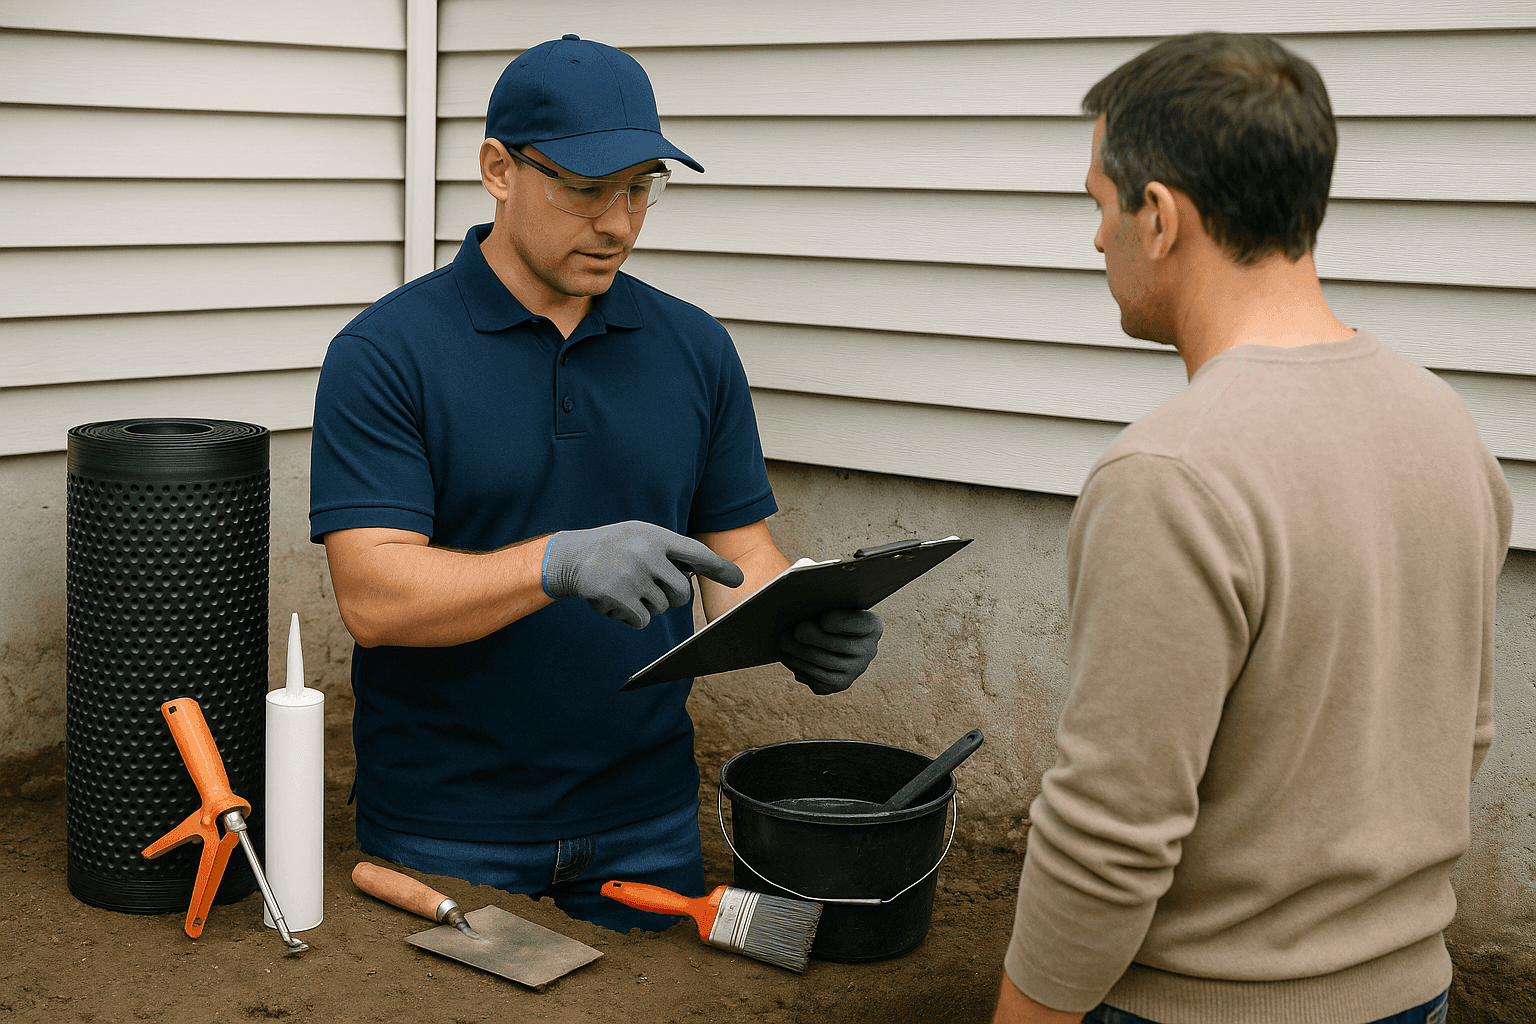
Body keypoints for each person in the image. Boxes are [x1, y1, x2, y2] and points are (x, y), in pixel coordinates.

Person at [308, 34, 883, 932]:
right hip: (446, 828)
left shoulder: (694, 349)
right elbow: (375, 597)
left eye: (640, 187)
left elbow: (741, 558)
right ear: (499, 169)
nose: (617, 222)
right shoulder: (387, 355)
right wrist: (557, 562)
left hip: (644, 820)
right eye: (584, 188)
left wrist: (797, 621)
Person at [992, 33, 1511, 1024]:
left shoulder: (1170, 474)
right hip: (1414, 989)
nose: (1095, 238)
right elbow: (1462, 736)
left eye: (1099, 204)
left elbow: (1109, 835)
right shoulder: (1444, 422)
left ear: (1159, 216)